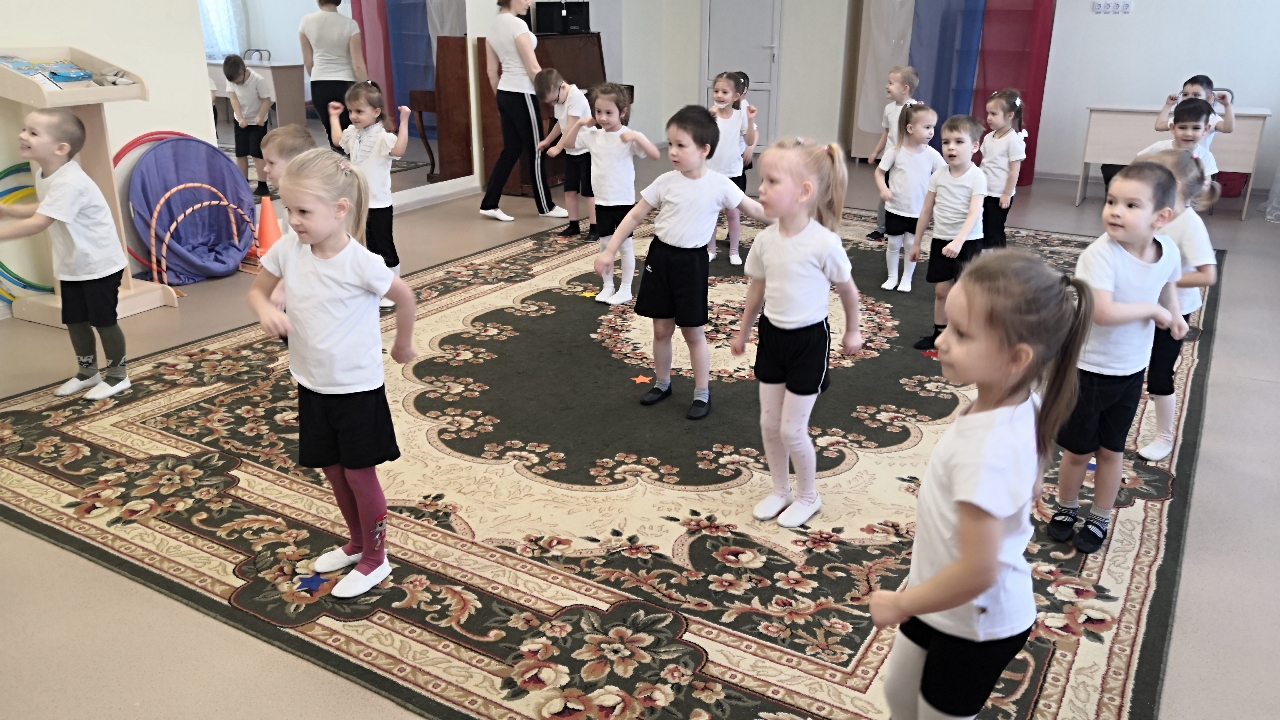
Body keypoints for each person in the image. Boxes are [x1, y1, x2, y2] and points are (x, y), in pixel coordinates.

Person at [869, 250, 1093, 720]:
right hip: (938, 594)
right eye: (947, 326)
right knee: (898, 695)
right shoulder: (1015, 400)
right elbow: (1031, 478)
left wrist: (901, 602)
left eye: (962, 333)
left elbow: (978, 571)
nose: (942, 341)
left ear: (1016, 358)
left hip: (976, 621)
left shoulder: (988, 448)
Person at [248, 148, 418, 598]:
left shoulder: (361, 263)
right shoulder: (289, 250)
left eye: (303, 211)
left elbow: (405, 297)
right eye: (288, 209)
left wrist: (403, 343)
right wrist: (266, 309)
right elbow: (257, 292)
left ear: (340, 209)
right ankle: (357, 543)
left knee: (360, 474)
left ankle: (376, 558)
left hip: (356, 387)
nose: (293, 221)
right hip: (312, 382)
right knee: (333, 469)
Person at [594, 106, 769, 420]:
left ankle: (702, 393)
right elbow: (634, 215)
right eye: (671, 144)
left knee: (693, 332)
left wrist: (790, 218)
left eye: (680, 145)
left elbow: (755, 210)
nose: (672, 151)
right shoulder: (665, 182)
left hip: (692, 264)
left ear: (704, 150)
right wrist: (609, 251)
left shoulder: (720, 185)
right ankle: (663, 383)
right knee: (661, 329)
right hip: (661, 258)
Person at [1048, 162, 1185, 554]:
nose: (1115, 211)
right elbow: (1102, 313)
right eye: (1111, 201)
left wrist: (1174, 313)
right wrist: (1154, 311)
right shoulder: (1100, 255)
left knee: (1112, 451)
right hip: (1088, 370)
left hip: (1130, 371)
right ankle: (1067, 506)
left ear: (1161, 218)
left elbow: (1168, 283)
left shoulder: (1167, 250)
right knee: (1078, 451)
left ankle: (1100, 515)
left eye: (1130, 205)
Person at [731, 138, 863, 528]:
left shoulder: (824, 243)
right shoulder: (765, 240)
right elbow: (757, 289)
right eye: (762, 180)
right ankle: (780, 490)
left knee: (792, 429)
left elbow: (848, 291)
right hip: (773, 338)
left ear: (804, 193)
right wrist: (743, 331)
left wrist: (853, 330)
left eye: (772, 181)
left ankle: (808, 496)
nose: (761, 189)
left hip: (809, 342)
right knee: (769, 425)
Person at [0, 109, 131, 400]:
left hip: (99, 264)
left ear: (61, 148)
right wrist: (9, 211)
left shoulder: (70, 181)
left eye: (33, 133)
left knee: (103, 321)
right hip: (73, 264)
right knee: (75, 320)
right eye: (24, 129)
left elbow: (39, 222)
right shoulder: (45, 174)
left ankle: (118, 376)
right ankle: (88, 373)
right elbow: (46, 207)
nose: (22, 135)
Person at [1133, 150, 1219, 461]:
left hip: (1173, 309)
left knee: (1159, 373)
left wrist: (1165, 277)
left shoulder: (1190, 225)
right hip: (1143, 302)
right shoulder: (1156, 213)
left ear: (1176, 185)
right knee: (1132, 363)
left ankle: (1164, 436)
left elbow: (1208, 275)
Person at [559, 83, 660, 305]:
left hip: (623, 201)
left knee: (624, 246)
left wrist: (637, 138)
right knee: (605, 245)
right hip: (602, 201)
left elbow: (655, 155)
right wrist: (579, 124)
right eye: (598, 112)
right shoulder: (593, 135)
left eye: (609, 112)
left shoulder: (628, 136)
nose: (603, 118)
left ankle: (625, 289)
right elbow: (567, 144)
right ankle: (608, 286)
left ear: (622, 112)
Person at [479, 0, 565, 222]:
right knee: (538, 148)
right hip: (522, 93)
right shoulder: (517, 24)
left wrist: (501, 101)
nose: (529, 3)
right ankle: (545, 206)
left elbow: (491, 72)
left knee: (512, 150)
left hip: (505, 93)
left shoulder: (493, 26)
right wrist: (559, 93)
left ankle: (489, 203)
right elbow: (533, 68)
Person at [328, 81, 411, 308]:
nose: (353, 116)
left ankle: (393, 290)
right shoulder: (354, 134)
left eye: (359, 111)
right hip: (359, 203)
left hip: (379, 205)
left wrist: (404, 121)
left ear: (376, 112)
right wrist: (334, 117)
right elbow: (337, 141)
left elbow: (400, 149)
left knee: (384, 248)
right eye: (351, 111)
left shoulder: (383, 138)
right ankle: (371, 284)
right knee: (363, 247)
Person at [909, 115, 986, 351]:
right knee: (942, 290)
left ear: (975, 147)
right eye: (946, 142)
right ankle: (939, 333)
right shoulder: (939, 175)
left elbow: (974, 213)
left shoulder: (977, 177)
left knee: (965, 293)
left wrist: (959, 241)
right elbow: (926, 211)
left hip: (968, 242)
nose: (951, 147)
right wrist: (917, 243)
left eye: (959, 142)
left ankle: (965, 334)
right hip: (941, 241)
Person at [875, 102, 943, 293]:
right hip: (895, 208)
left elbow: (944, 175)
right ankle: (892, 277)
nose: (932, 132)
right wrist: (883, 188)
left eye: (933, 127)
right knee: (893, 244)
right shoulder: (895, 152)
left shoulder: (932, 155)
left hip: (918, 211)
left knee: (911, 244)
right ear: (910, 128)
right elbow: (879, 172)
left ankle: (907, 278)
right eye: (927, 127)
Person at [258, 124, 320, 311]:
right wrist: (274, 260)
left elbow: (308, 252)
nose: (265, 169)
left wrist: (283, 286)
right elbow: (290, 242)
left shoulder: (306, 204)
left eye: (271, 163)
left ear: (295, 164)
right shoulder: (292, 201)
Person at [535, 68, 597, 240]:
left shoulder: (576, 97)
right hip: (572, 153)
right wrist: (548, 141)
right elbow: (560, 124)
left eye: (554, 100)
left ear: (562, 87)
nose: (555, 104)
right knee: (569, 190)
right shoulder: (560, 99)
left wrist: (558, 147)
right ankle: (573, 225)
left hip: (586, 152)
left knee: (589, 192)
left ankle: (595, 227)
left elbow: (571, 127)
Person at [299, 0, 367, 154]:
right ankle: (353, 165)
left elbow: (308, 61)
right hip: (346, 84)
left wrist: (318, 75)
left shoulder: (306, 22)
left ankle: (338, 165)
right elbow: (358, 64)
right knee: (351, 132)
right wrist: (367, 86)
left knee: (332, 133)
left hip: (319, 83)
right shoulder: (350, 24)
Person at [707, 72, 759, 265]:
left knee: (733, 214)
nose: (719, 95)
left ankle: (734, 251)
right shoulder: (711, 115)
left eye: (724, 92)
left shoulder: (740, 116)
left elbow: (750, 140)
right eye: (716, 91)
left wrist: (750, 120)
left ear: (736, 96)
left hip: (733, 173)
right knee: (710, 214)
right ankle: (711, 249)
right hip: (711, 172)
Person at [867, 65, 919, 241]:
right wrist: (876, 152)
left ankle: (905, 227)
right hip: (890, 160)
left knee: (903, 194)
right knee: (886, 194)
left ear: (905, 89)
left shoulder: (916, 110)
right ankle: (882, 229)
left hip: (907, 162)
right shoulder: (889, 109)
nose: (886, 86)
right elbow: (887, 133)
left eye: (890, 83)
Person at [980, 89, 1027, 251]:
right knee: (981, 225)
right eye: (988, 113)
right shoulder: (988, 137)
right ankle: (983, 255)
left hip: (1000, 194)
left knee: (995, 228)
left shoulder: (1014, 141)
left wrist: (1007, 194)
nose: (988, 118)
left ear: (1010, 115)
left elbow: (1014, 171)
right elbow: (984, 163)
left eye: (994, 114)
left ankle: (999, 258)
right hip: (984, 191)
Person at [223, 54, 275, 197]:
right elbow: (234, 100)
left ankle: (263, 185)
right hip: (241, 121)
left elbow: (267, 101)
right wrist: (240, 117)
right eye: (234, 82)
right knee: (241, 153)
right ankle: (243, 183)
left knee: (257, 154)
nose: (237, 84)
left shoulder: (258, 80)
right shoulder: (231, 80)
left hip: (257, 121)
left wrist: (260, 116)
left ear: (243, 71)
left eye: (238, 81)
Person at [1137, 98, 1219, 178]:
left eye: (1196, 128)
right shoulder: (1160, 147)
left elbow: (1206, 183)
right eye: (1182, 127)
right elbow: (1137, 161)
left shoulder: (1205, 156)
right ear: (1173, 128)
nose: (1188, 133)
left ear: (1205, 130)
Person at [1155, 74, 1234, 151]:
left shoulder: (1210, 117)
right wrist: (1168, 105)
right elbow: (1159, 126)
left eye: (1196, 95)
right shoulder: (1182, 115)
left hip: (1199, 158)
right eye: (1185, 94)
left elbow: (1227, 128)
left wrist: (1227, 105)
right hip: (1180, 156)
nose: (1189, 98)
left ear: (1209, 98)